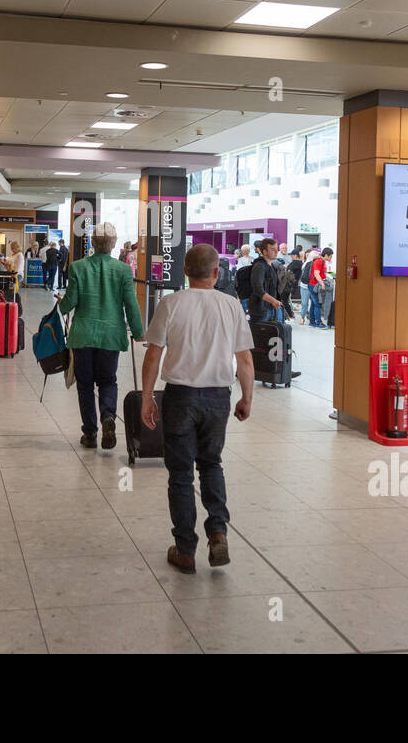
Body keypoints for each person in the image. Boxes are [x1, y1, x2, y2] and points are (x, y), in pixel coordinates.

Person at [140, 243, 254, 575]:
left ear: (185, 272)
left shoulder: (170, 303)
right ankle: (217, 531)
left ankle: (186, 550)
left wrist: (147, 397)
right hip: (218, 397)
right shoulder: (232, 306)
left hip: (180, 397)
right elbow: (244, 359)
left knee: (180, 474)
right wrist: (247, 397)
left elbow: (153, 354)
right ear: (217, 273)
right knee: (211, 465)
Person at [57, 223, 144, 450]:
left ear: (93, 243)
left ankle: (90, 433)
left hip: (83, 335)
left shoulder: (77, 267)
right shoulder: (123, 270)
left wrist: (61, 304)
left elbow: (70, 302)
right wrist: (138, 332)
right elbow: (131, 305)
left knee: (85, 385)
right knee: (108, 380)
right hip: (110, 336)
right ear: (114, 244)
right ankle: (108, 417)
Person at [246, 238, 283, 325]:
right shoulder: (260, 266)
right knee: (259, 337)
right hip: (260, 310)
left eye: (276, 249)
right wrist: (273, 301)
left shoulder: (271, 265)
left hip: (270, 309)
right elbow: (258, 289)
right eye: (273, 250)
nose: (276, 252)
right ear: (265, 252)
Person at [305, 248, 333, 329]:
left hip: (315, 284)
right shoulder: (319, 261)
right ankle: (318, 323)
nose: (331, 258)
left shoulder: (322, 262)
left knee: (314, 303)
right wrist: (322, 283)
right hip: (314, 285)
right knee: (318, 303)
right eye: (330, 256)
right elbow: (316, 274)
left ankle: (312, 322)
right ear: (326, 255)